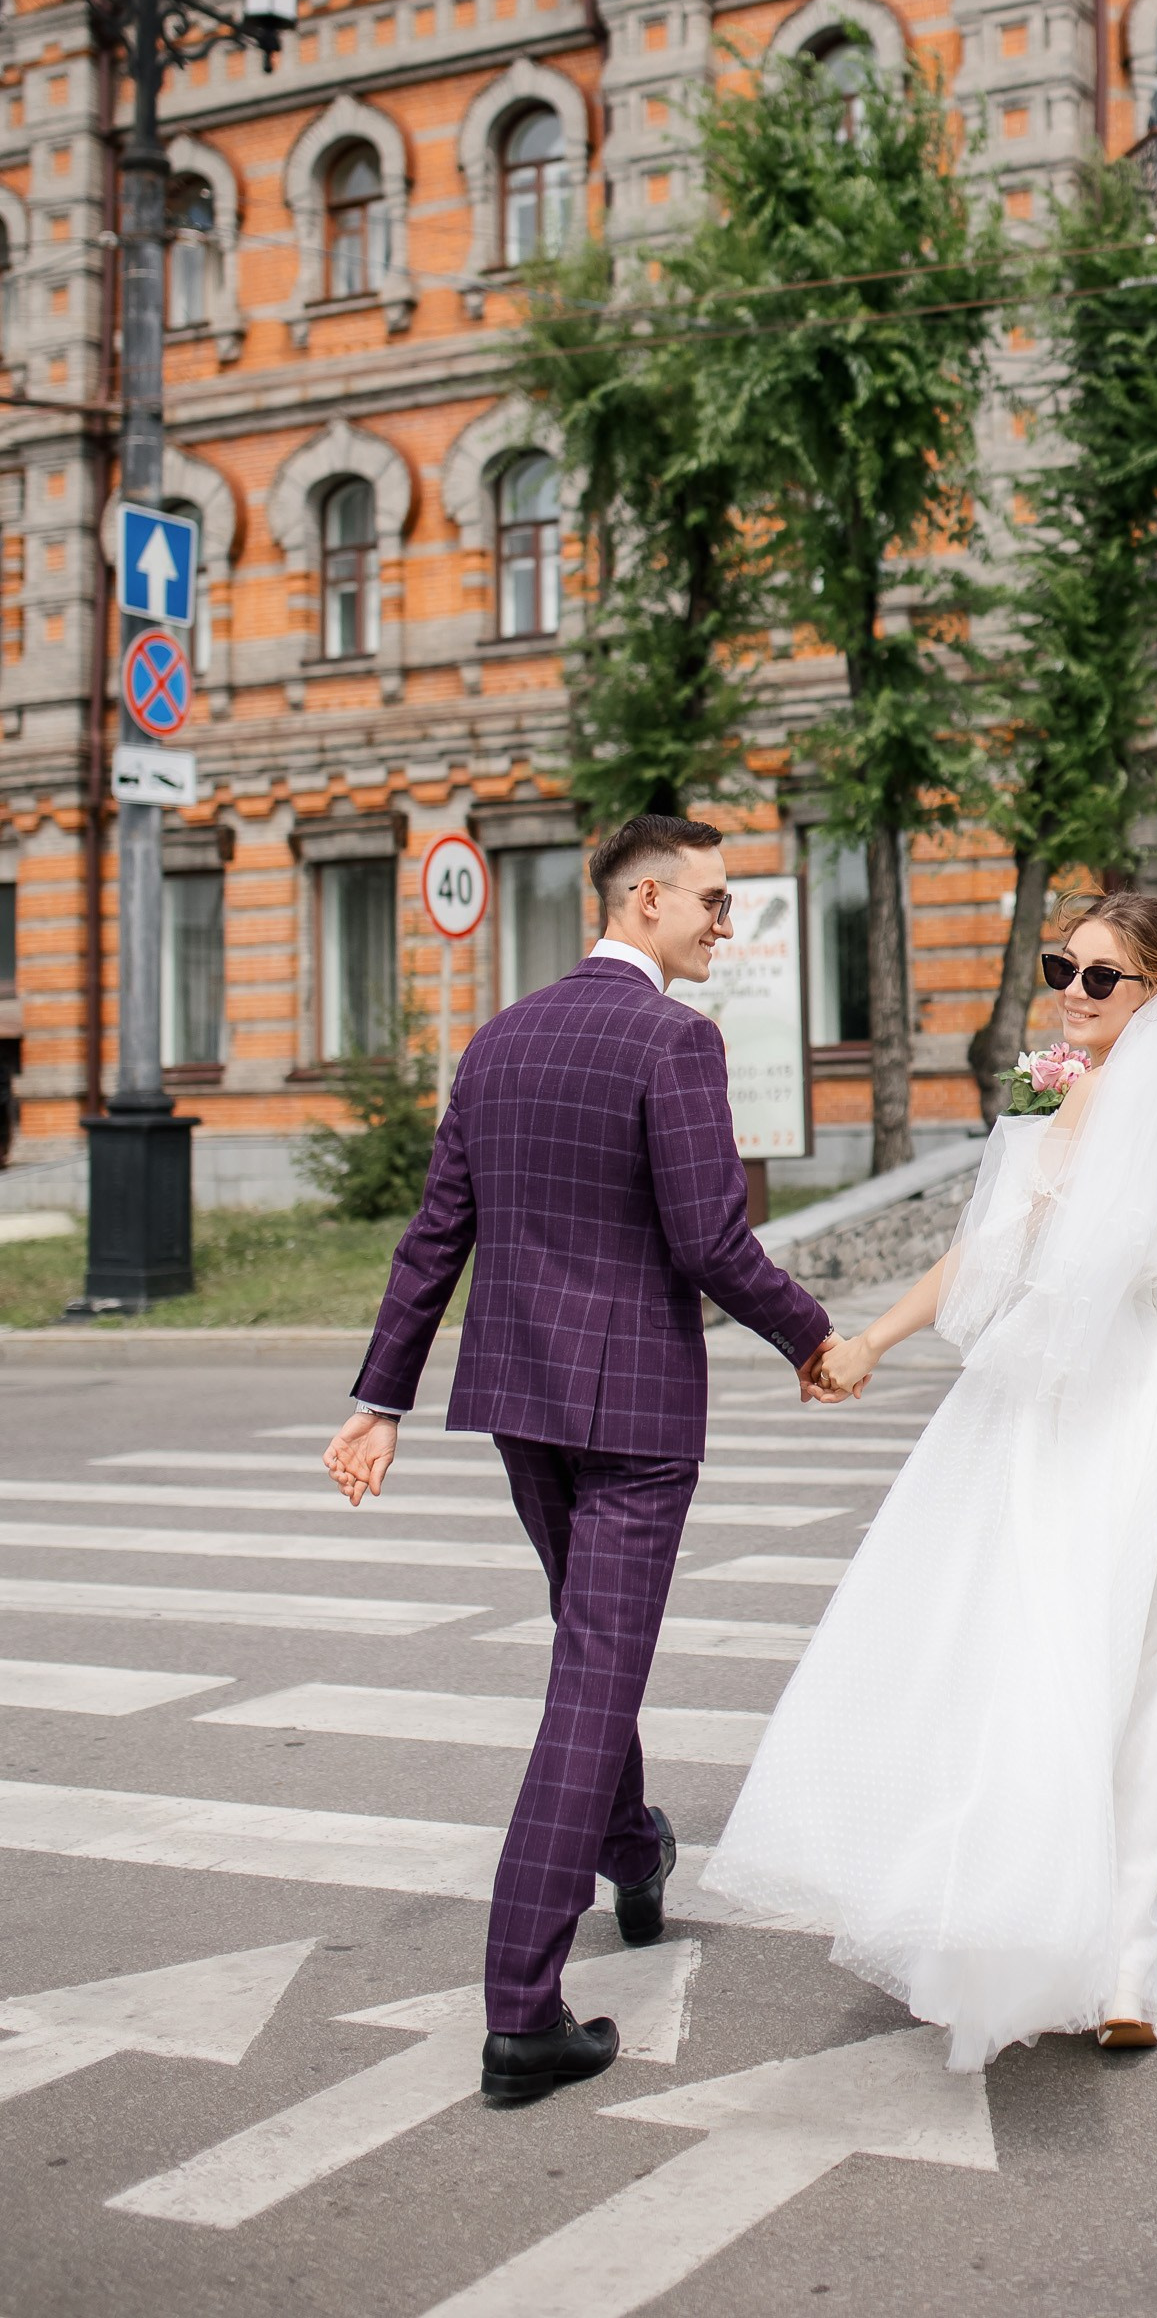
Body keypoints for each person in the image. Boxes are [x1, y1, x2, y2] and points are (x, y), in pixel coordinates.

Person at [321, 812, 840, 2109]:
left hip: (518, 1399)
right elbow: (712, 1242)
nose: (731, 922)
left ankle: (632, 1844)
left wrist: (380, 1396)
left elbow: (438, 1235)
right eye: (715, 903)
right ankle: (521, 2011)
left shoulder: (499, 1038)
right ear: (648, 901)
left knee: (587, 1648)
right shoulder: (676, 1040)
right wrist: (813, 1338)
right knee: (591, 1685)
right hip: (637, 1420)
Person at [702, 889, 1157, 2069]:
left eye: (1101, 976)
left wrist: (893, 1328)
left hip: (1118, 1391)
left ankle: (1084, 1949)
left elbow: (1029, 1250)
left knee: (1089, 1653)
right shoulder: (1100, 1085)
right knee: (1091, 1652)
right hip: (1114, 1379)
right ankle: (1085, 1946)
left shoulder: (1123, 1096)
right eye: (1063, 965)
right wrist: (871, 1336)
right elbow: (997, 1240)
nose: (1070, 987)